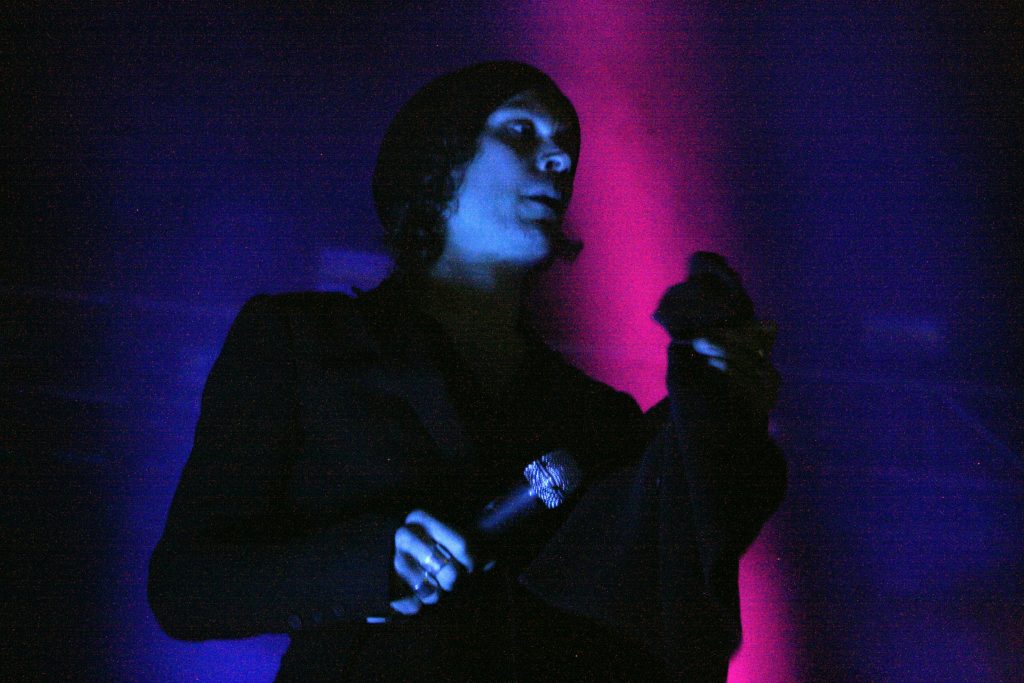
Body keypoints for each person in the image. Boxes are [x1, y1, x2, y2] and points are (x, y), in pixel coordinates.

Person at [148, 61, 786, 681]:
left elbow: (676, 576)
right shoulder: (301, 341)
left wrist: (722, 404)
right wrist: (368, 565)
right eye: (521, 131)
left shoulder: (596, 417)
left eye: (567, 146)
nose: (559, 160)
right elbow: (185, 586)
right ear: (441, 158)